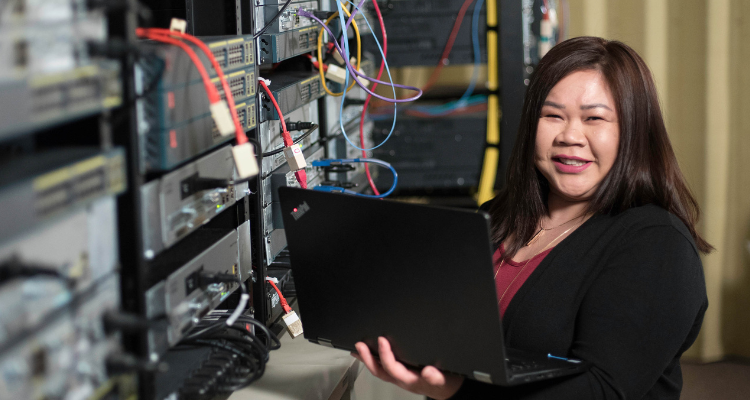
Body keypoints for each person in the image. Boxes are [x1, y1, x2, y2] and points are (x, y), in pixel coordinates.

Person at [352, 36, 710, 399]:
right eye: (552, 115)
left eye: (594, 118)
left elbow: (599, 391)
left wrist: (458, 391)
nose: (570, 136)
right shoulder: (496, 215)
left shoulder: (658, 246)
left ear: (633, 132)